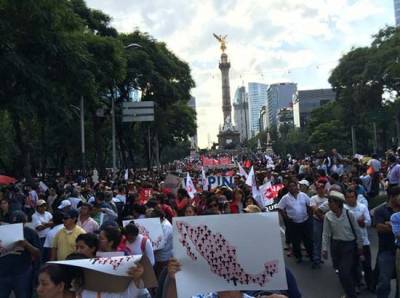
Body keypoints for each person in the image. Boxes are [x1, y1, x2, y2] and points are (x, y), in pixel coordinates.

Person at [322, 190, 363, 298]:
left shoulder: (349, 214)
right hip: (336, 245)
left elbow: (357, 231)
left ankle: (351, 294)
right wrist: (324, 249)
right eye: (329, 202)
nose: (329, 205)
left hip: (349, 246)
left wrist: (360, 246)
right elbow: (326, 233)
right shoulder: (328, 216)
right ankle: (350, 288)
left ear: (338, 204)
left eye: (331, 203)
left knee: (345, 271)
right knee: (340, 270)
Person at [0, 210, 41, 298]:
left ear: (24, 222)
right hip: (3, 273)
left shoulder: (31, 233)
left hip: (22, 273)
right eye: (13, 223)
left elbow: (38, 253)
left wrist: (26, 244)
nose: (16, 226)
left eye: (19, 223)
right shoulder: (3, 232)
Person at [277, 180, 313, 263]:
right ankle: (298, 257)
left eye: (294, 186)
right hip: (293, 223)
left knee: (308, 240)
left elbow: (310, 204)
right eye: (290, 186)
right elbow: (280, 208)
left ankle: (311, 255)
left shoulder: (303, 195)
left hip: (305, 221)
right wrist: (286, 217)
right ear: (288, 188)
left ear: (297, 186)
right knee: (295, 241)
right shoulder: (285, 198)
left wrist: (310, 215)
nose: (292, 188)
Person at [344, 188, 373, 291]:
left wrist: (363, 223)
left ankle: (370, 284)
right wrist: (357, 222)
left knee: (367, 265)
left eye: (352, 197)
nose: (350, 199)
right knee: (353, 265)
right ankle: (356, 284)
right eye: (347, 197)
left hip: (364, 241)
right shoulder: (344, 209)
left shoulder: (362, 207)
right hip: (350, 242)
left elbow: (369, 222)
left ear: (356, 197)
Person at [374, 186, 400, 298]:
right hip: (386, 251)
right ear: (393, 197)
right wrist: (395, 227)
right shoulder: (381, 210)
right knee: (384, 282)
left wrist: (390, 224)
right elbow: (379, 227)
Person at [309, 182, 328, 268]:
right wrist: (322, 217)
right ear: (316, 190)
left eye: (322, 188)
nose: (321, 190)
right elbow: (314, 209)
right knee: (317, 240)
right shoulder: (313, 198)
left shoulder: (328, 199)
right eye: (319, 188)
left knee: (327, 240)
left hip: (328, 222)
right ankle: (316, 259)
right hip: (317, 221)